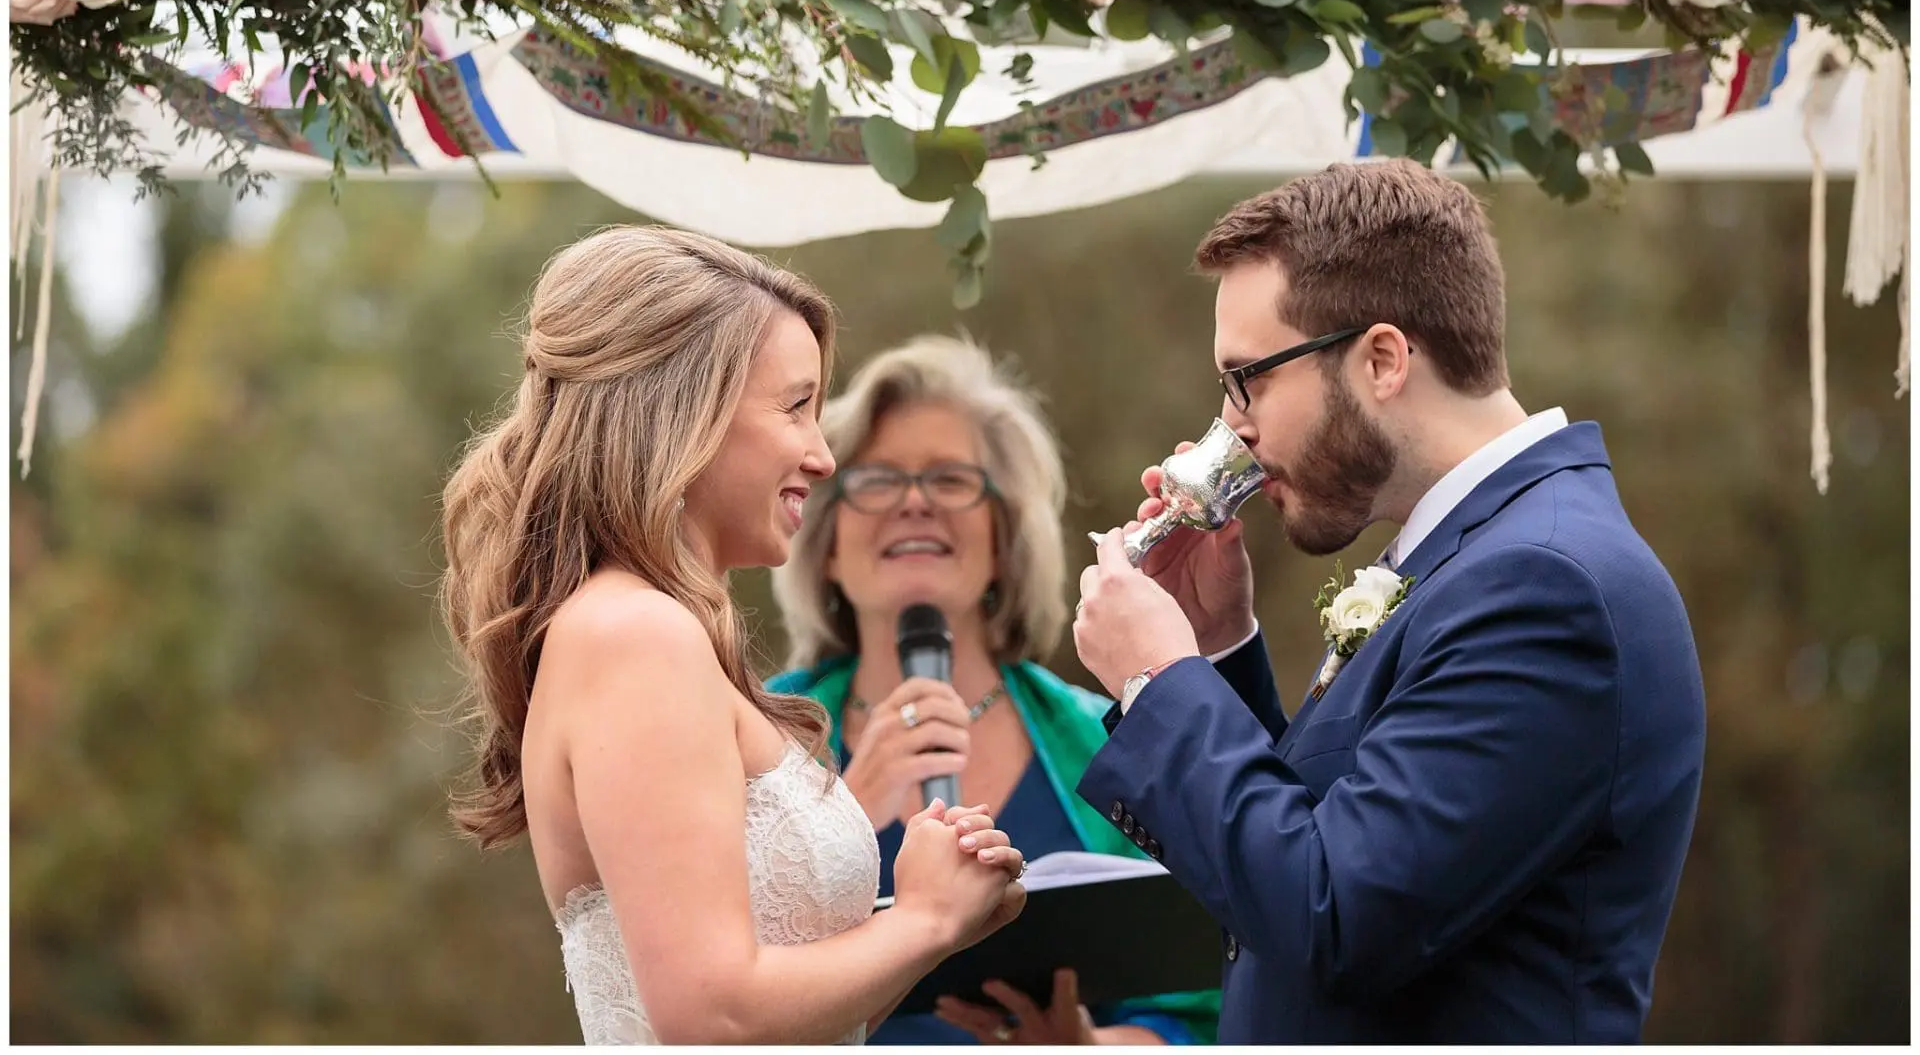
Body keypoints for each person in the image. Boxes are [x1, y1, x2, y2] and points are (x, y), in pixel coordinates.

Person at [1070, 159, 1708, 1043]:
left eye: (1247, 378)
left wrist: (1158, 678)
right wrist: (1217, 650)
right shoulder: (1482, 556)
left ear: (1381, 358)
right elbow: (1314, 852)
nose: (1234, 427)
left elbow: (1330, 919)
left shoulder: (1546, 588)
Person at [439, 227, 1026, 1045]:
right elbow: (709, 1014)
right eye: (796, 409)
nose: (823, 458)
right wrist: (923, 921)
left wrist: (945, 915)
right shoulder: (633, 634)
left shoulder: (649, 631)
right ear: (684, 413)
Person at [768, 335, 1221, 1045]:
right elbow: (704, 982)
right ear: (824, 541)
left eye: (951, 479)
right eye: (878, 479)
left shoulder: (1113, 734)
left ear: (1004, 539)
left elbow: (1207, 1002)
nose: (915, 504)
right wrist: (844, 807)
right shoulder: (753, 729)